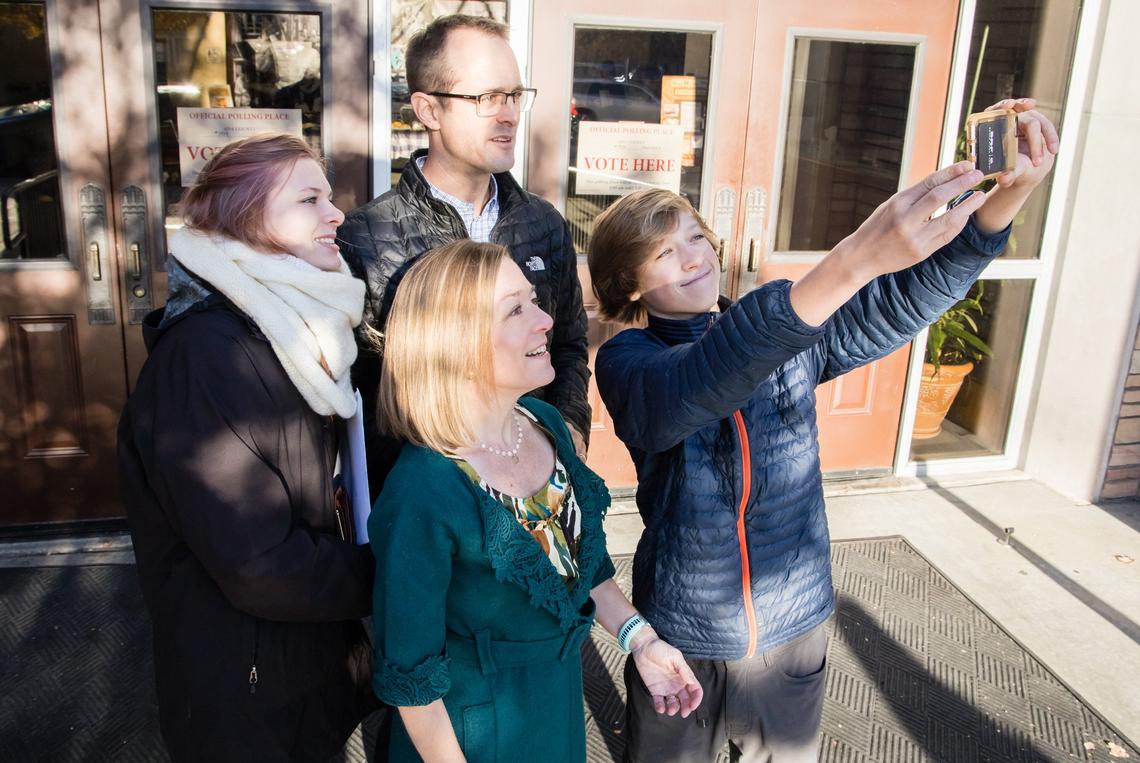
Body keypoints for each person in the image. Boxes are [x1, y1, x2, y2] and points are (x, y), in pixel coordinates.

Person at [586, 99, 1059, 762]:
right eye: (663, 252)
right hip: (683, 634)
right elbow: (702, 380)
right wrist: (856, 256)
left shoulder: (783, 326)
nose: (692, 258)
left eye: (694, 236)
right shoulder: (629, 363)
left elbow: (898, 300)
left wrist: (1005, 202)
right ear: (628, 284)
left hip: (791, 630)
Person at [368, 240, 703, 762]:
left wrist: (641, 640)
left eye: (534, 301)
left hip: (556, 708)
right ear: (456, 342)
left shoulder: (542, 425)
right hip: (471, 736)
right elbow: (413, 681)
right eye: (516, 309)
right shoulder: (423, 493)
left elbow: (581, 565)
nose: (546, 320)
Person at [117, 134, 376, 761]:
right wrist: (394, 575)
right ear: (245, 215)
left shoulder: (299, 329)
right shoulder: (208, 358)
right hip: (244, 687)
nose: (335, 214)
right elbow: (259, 565)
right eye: (309, 199)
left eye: (329, 196)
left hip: (298, 664)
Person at [339, 14, 591, 500]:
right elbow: (362, 397)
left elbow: (570, 345)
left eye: (515, 95)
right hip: (429, 515)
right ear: (428, 110)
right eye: (487, 98)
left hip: (536, 489)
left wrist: (570, 432)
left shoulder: (543, 225)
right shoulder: (364, 240)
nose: (510, 115)